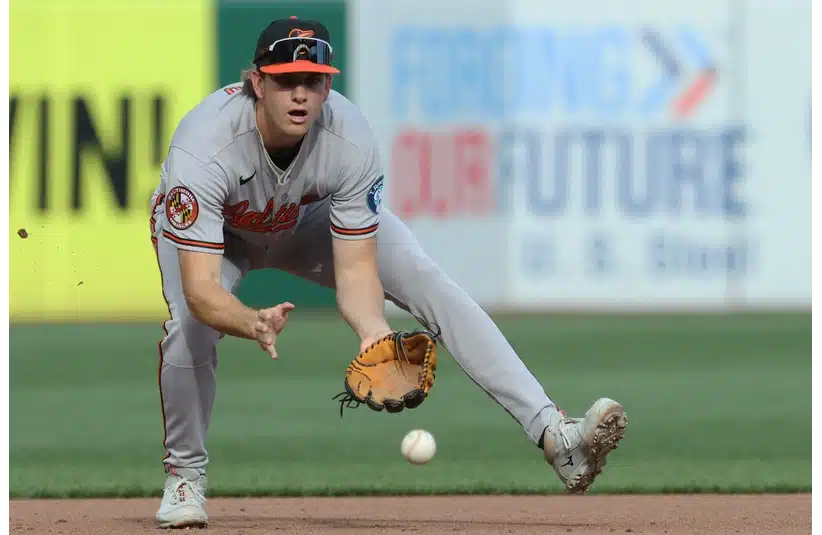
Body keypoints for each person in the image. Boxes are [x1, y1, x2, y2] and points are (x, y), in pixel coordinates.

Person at [149, 16, 628, 529]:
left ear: (328, 85)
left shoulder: (348, 137)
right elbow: (201, 290)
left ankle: (557, 437)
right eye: (286, 79)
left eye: (313, 80)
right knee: (189, 329)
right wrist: (250, 322)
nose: (300, 94)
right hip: (220, 235)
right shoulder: (205, 143)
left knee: (425, 278)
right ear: (257, 82)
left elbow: (355, 269)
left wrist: (373, 332)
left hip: (304, 217)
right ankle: (185, 475)